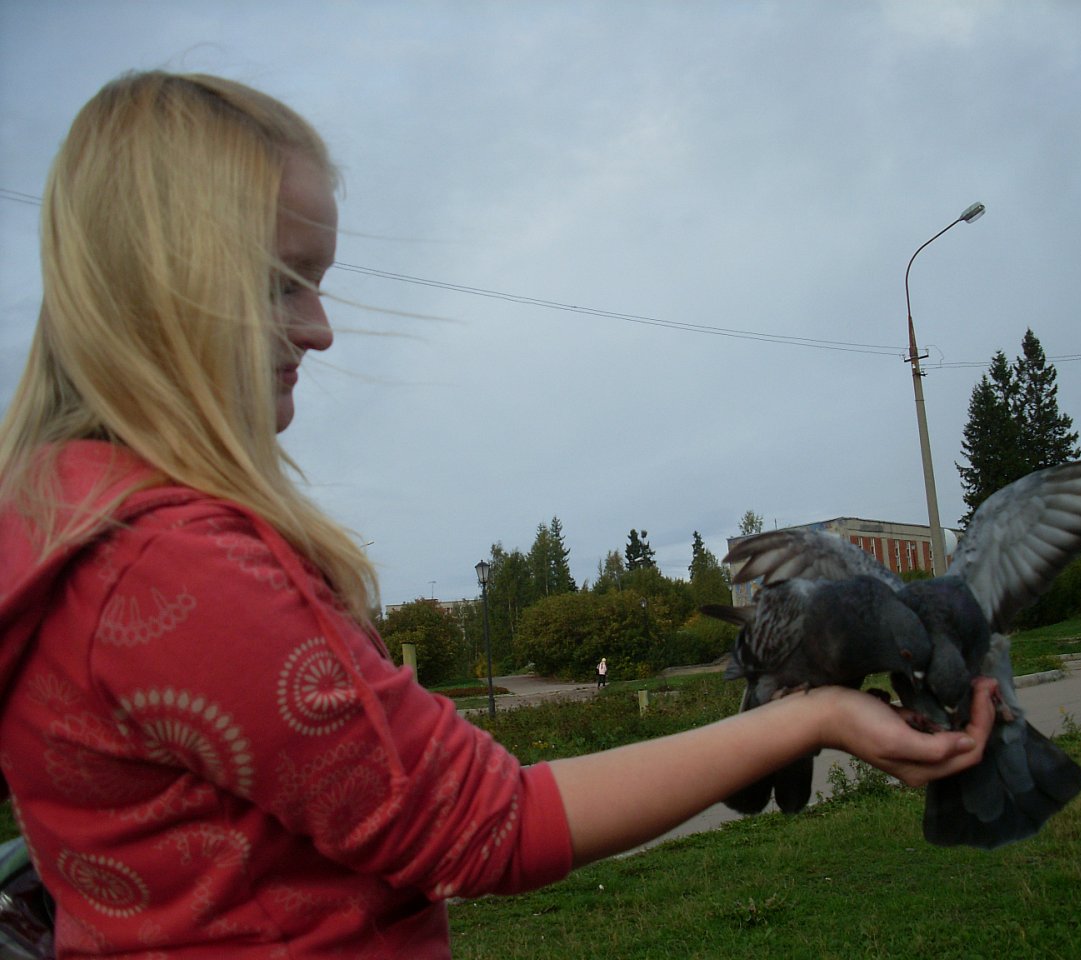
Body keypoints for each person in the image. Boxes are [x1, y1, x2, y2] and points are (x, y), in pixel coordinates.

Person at [0, 70, 996, 959]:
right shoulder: (173, 566)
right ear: (159, 283)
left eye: (319, 283)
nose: (321, 329)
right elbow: (490, 825)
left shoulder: (51, 526)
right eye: (279, 284)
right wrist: (815, 716)